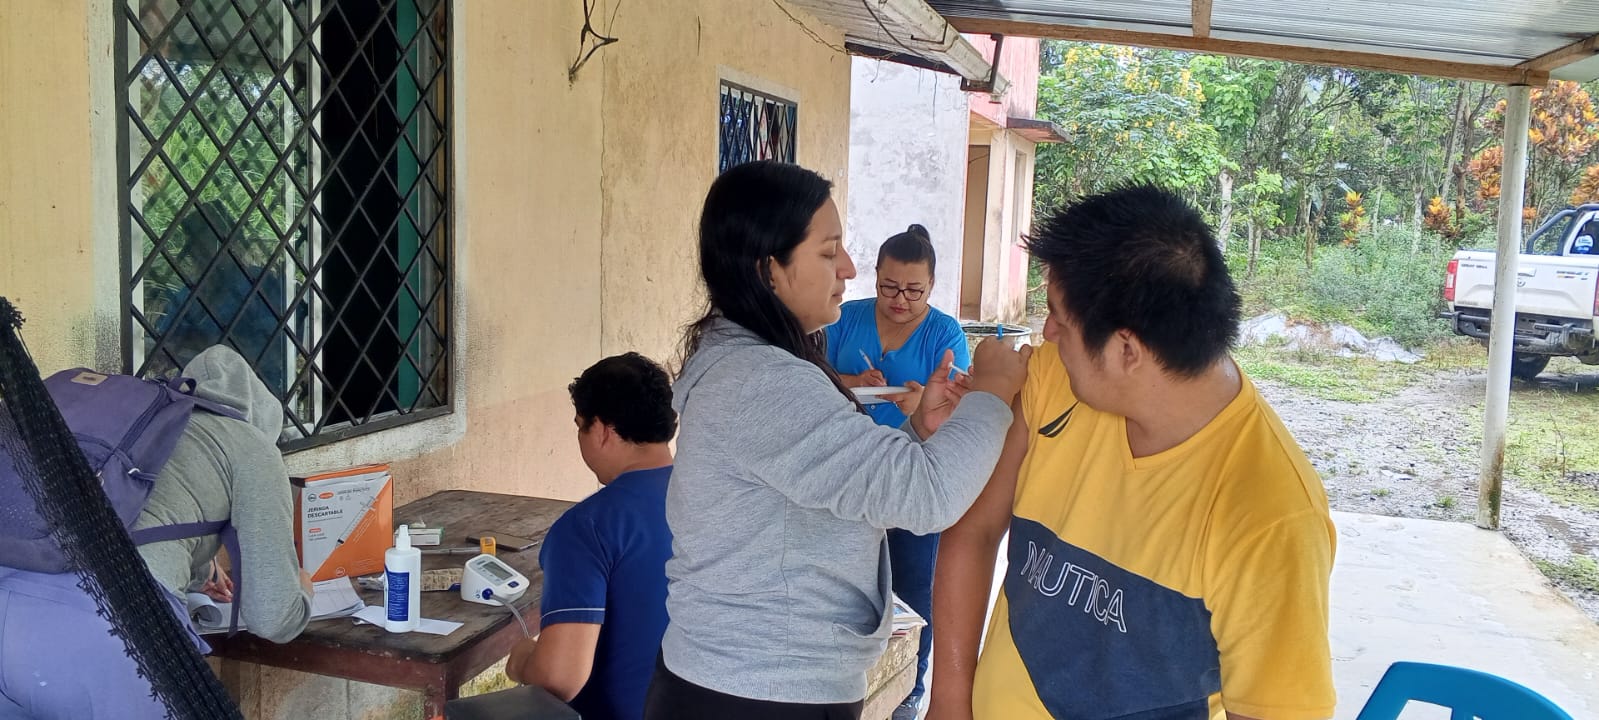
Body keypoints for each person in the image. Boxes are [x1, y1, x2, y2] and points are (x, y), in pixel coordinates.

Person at [928, 186, 1337, 720]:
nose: (1046, 332)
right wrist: (949, 701)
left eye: (1059, 318)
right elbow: (975, 530)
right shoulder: (1057, 376)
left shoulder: (1271, 517)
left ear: (1127, 350)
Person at [644, 160, 1029, 720]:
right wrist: (992, 393)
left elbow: (834, 475)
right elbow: (927, 496)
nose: (848, 268)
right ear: (768, 270)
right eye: (829, 253)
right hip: (758, 692)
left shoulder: (756, 365)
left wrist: (919, 429)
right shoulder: (761, 382)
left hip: (756, 680)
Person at [0, 345, 312, 719]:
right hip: (114, 629)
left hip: (10, 606)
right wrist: (302, 588)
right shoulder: (251, 444)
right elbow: (272, 617)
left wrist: (201, 571)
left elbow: (134, 516)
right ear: (262, 415)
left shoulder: (145, 423)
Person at [825, 223, 971, 718]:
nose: (900, 300)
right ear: (875, 277)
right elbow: (809, 376)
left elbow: (957, 402)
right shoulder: (845, 317)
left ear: (931, 286)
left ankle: (909, 689)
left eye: (914, 291)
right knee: (845, 582)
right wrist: (850, 380)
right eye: (889, 287)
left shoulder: (944, 333)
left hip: (912, 473)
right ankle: (850, 683)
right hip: (847, 470)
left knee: (913, 583)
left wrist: (922, 403)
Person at [505, 352, 678, 720]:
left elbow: (558, 679)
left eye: (579, 426)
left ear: (601, 430)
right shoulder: (711, 502)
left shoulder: (589, 527)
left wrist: (520, 659)